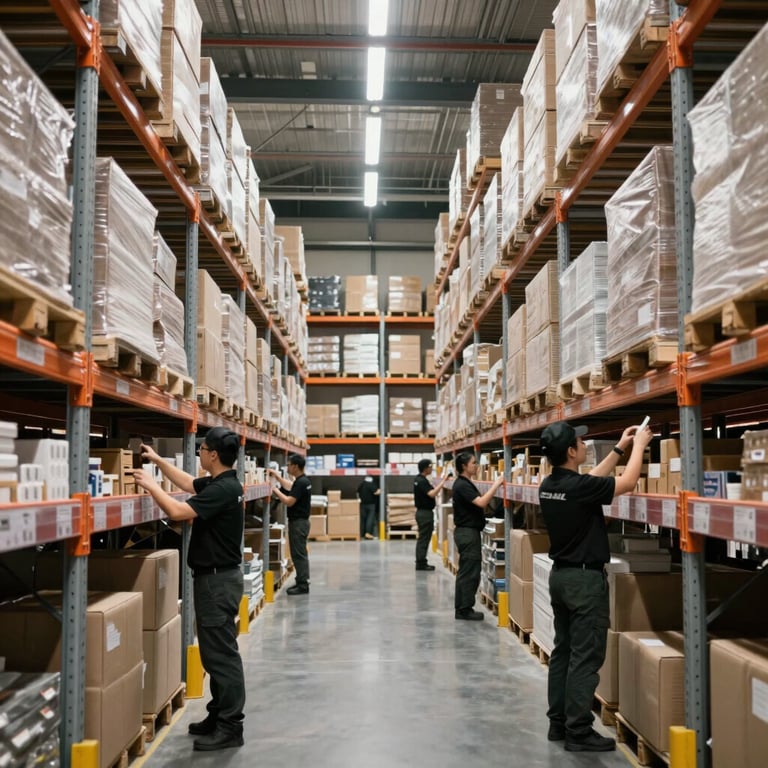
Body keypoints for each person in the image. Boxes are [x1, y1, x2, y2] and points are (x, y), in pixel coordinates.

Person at [538, 420, 652, 753]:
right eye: (580, 441)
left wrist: (619, 448)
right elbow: (628, 483)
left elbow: (589, 481)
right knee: (586, 658)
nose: (584, 444)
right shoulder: (577, 488)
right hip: (584, 582)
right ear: (572, 452)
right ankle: (579, 731)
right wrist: (641, 445)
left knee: (563, 653)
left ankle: (558, 723)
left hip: (560, 577)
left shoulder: (550, 485)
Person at [132, 427, 245, 752]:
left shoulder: (223, 489)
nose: (199, 453)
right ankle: (218, 714)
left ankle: (231, 726)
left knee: (221, 657)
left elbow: (179, 511)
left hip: (216, 581)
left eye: (203, 449)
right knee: (215, 654)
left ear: (212, 455)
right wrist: (157, 462)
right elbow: (186, 483)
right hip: (216, 579)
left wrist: (152, 485)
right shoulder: (223, 483)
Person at [451, 452, 504, 620]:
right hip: (467, 533)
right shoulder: (462, 485)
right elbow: (481, 502)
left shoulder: (465, 483)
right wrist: (496, 484)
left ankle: (462, 607)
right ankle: (464, 609)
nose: (476, 465)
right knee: (470, 572)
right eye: (473, 463)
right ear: (464, 466)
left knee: (467, 571)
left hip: (468, 532)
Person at [269, 454, 312, 595]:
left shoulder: (301, 483)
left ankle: (303, 585)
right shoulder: (303, 481)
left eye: (289, 465)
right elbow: (290, 487)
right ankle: (301, 580)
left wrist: (274, 490)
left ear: (295, 466)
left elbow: (289, 501)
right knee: (299, 553)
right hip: (301, 522)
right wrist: (277, 477)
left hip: (299, 523)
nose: (287, 467)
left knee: (298, 554)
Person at [413, 458, 450, 571]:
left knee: (423, 538)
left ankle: (421, 561)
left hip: (422, 512)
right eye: (430, 467)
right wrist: (443, 481)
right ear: (425, 468)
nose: (432, 468)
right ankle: (421, 563)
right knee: (424, 538)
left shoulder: (419, 479)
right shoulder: (422, 481)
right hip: (424, 514)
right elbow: (432, 494)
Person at [357, 475, 381, 540]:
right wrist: (380, 490)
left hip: (362, 505)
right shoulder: (371, 484)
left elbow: (357, 492)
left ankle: (362, 534)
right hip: (370, 505)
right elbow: (376, 492)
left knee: (363, 520)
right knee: (370, 519)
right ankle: (368, 533)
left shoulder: (361, 485)